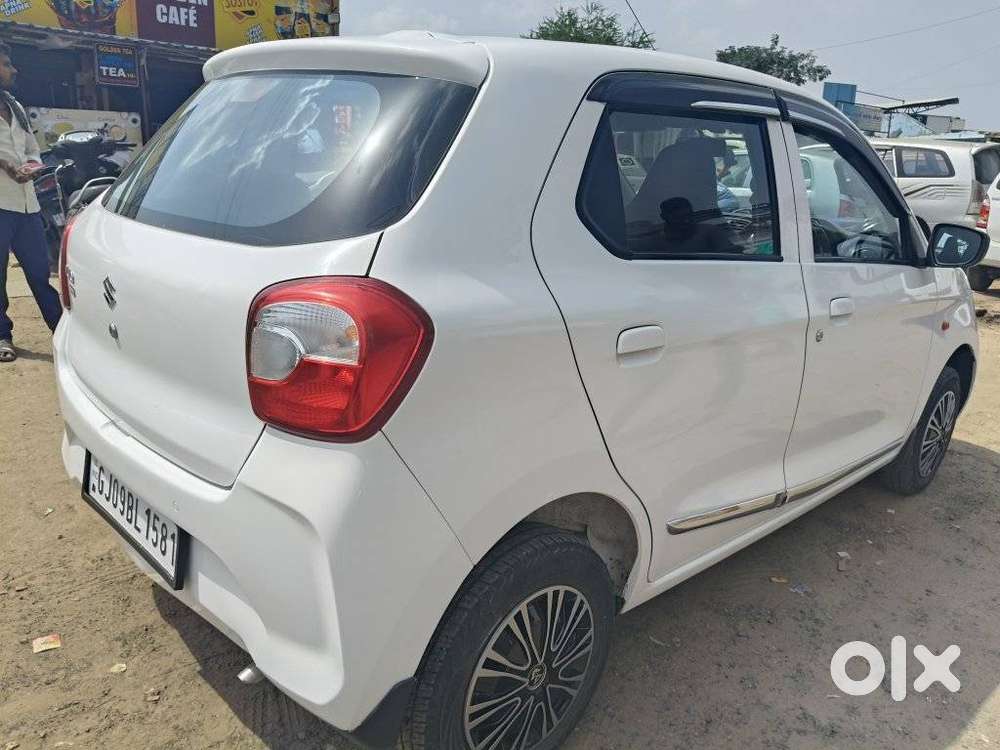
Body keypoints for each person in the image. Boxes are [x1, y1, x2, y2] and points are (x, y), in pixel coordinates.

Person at [0, 42, 62, 362]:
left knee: (40, 271)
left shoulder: (17, 107)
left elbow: (31, 148)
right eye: (7, 64)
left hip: (27, 204)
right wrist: (7, 167)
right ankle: (2, 335)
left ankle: (61, 329)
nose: (14, 70)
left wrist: (31, 166)